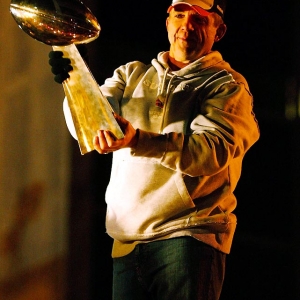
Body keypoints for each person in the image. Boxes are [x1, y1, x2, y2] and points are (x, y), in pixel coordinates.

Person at [49, 0, 259, 299]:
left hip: (187, 236)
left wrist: (137, 140)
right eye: (179, 14)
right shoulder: (130, 75)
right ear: (168, 20)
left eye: (200, 19)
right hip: (127, 240)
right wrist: (74, 81)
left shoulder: (226, 86)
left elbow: (211, 152)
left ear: (219, 30)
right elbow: (92, 125)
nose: (187, 25)